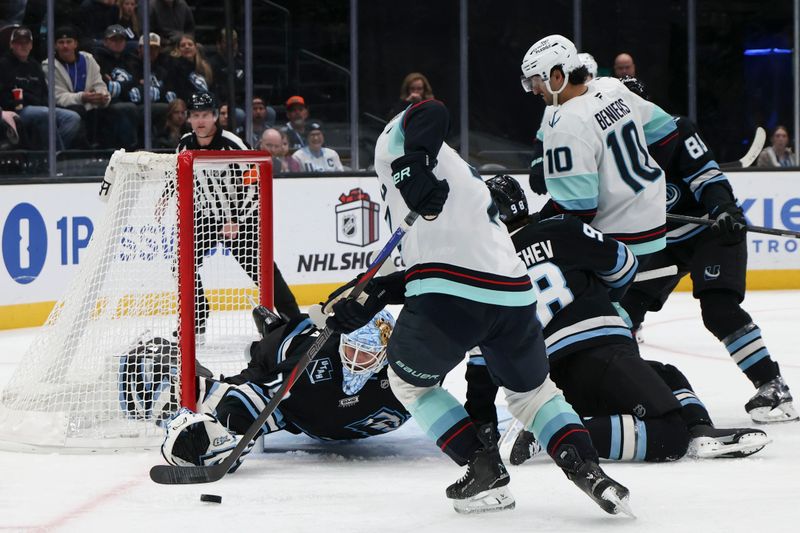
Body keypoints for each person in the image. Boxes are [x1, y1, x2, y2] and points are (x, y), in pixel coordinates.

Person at [323, 98, 632, 516]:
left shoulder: (394, 141)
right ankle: (589, 471)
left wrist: (410, 162)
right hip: (515, 297)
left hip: (447, 297)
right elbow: (443, 258)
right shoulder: (458, 178)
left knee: (410, 383)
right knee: (535, 395)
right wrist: (375, 292)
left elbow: (429, 109)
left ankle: (481, 465)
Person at [465, 175, 770, 466]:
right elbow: (624, 265)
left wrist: (482, 421)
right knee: (670, 436)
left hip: (551, 381)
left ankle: (700, 433)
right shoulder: (559, 228)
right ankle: (554, 434)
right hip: (600, 352)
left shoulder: (488, 269)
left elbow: (481, 357)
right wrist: (602, 293)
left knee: (667, 374)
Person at [616, 77, 798, 424]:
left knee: (718, 309)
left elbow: (708, 179)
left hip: (709, 232)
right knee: (622, 313)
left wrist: (724, 211)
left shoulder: (677, 131)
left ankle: (773, 386)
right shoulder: (613, 149)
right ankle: (628, 389)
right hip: (663, 243)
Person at [159, 308, 410, 469]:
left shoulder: (406, 372)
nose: (354, 360)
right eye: (351, 349)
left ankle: (276, 327)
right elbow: (254, 398)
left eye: (364, 354)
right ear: (342, 341)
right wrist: (232, 432)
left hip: (316, 408)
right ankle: (268, 336)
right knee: (245, 379)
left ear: (386, 355)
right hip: (283, 352)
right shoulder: (315, 366)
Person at [521, 35, 677, 261]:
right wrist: (636, 188)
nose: (534, 90)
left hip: (615, 241)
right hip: (653, 225)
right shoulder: (613, 86)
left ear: (557, 76)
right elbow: (666, 132)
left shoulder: (565, 123)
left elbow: (577, 209)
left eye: (536, 80)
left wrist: (535, 224)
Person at [173, 91, 301, 334]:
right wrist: (166, 196)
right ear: (189, 118)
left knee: (261, 270)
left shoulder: (232, 143)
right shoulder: (185, 144)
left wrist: (235, 219)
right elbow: (178, 174)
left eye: (205, 115)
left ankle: (295, 320)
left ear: (215, 117)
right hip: (206, 217)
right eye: (195, 115)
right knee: (182, 263)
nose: (200, 121)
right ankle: (198, 316)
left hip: (241, 218)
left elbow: (254, 182)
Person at [0, 25, 82, 149]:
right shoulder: (4, 64)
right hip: (18, 110)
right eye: (18, 43)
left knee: (72, 118)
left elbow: (45, 93)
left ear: (31, 45)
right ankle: (56, 158)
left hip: (41, 108)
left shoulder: (34, 65)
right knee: (45, 113)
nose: (23, 46)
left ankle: (52, 155)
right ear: (12, 45)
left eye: (26, 43)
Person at [42, 25, 111, 148]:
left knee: (114, 109)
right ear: (55, 45)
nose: (65, 46)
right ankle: (84, 152)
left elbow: (99, 84)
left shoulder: (88, 59)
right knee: (79, 111)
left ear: (75, 44)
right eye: (61, 42)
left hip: (90, 104)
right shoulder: (49, 66)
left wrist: (103, 96)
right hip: (67, 107)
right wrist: (83, 97)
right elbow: (57, 97)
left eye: (69, 42)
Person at [93, 24, 140, 149]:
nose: (118, 43)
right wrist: (127, 87)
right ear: (105, 41)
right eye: (114, 39)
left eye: (121, 39)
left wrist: (118, 86)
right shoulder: (97, 59)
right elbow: (103, 85)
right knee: (126, 108)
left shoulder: (131, 59)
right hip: (108, 102)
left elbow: (137, 82)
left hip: (129, 100)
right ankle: (128, 151)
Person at [167, 33, 213, 102]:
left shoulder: (205, 66)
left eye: (190, 44)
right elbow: (181, 92)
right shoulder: (175, 67)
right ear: (179, 49)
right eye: (183, 45)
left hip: (206, 103)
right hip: (187, 103)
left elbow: (212, 88)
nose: (187, 47)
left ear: (196, 48)